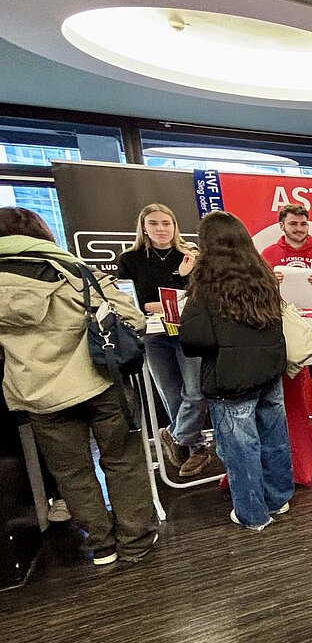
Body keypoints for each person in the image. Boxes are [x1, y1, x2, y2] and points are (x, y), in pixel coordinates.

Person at [0, 206, 156, 564]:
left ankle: (101, 544)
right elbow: (131, 319)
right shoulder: (74, 272)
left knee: (71, 472)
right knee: (121, 460)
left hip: (36, 390)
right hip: (99, 380)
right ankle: (136, 541)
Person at [180, 210, 291, 531]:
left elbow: (195, 339)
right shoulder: (263, 276)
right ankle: (279, 498)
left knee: (241, 449)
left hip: (229, 379)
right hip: (269, 371)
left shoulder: (207, 283)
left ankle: (253, 514)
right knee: (274, 438)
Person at [117, 203, 216, 478]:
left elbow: (200, 297)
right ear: (144, 228)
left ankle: (175, 435)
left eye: (166, 223)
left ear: (175, 226)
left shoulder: (189, 255)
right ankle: (196, 449)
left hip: (187, 331)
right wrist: (155, 304)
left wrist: (182, 278)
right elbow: (131, 300)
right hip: (153, 334)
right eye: (154, 223)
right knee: (172, 395)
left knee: (196, 392)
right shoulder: (130, 259)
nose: (161, 229)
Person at [261, 203, 312, 443]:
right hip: (284, 323)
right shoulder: (268, 254)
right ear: (281, 225)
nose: (299, 228)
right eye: (293, 223)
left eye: (303, 223)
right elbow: (256, 291)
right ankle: (292, 429)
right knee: (288, 381)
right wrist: (269, 282)